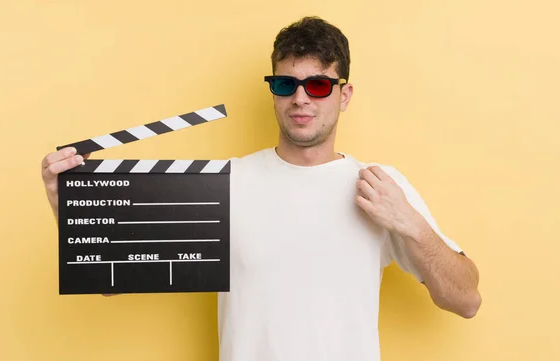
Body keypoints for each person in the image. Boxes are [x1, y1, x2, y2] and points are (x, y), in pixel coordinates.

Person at [41, 16, 481, 361]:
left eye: (320, 85)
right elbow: (113, 279)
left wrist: (411, 226)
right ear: (273, 90)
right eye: (287, 84)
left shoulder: (381, 187)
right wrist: (70, 208)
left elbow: (465, 300)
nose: (302, 99)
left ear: (344, 95)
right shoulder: (223, 185)